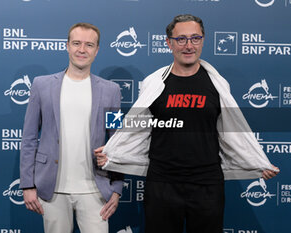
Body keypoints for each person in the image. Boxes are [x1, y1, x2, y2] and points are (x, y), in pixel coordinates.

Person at [95, 14, 279, 233]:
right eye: (181, 39)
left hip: (207, 184)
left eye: (195, 38)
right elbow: (135, 129)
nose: (189, 45)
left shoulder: (218, 84)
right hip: (162, 183)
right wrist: (112, 152)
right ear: (169, 43)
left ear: (203, 40)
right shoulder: (154, 83)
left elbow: (234, 134)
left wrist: (257, 162)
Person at [20, 22, 123, 233]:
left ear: (97, 50)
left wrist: (117, 189)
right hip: (52, 189)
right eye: (76, 43)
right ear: (67, 45)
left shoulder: (111, 90)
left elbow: (117, 141)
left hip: (95, 189)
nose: (82, 50)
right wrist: (27, 185)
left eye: (89, 45)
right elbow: (29, 138)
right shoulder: (42, 85)